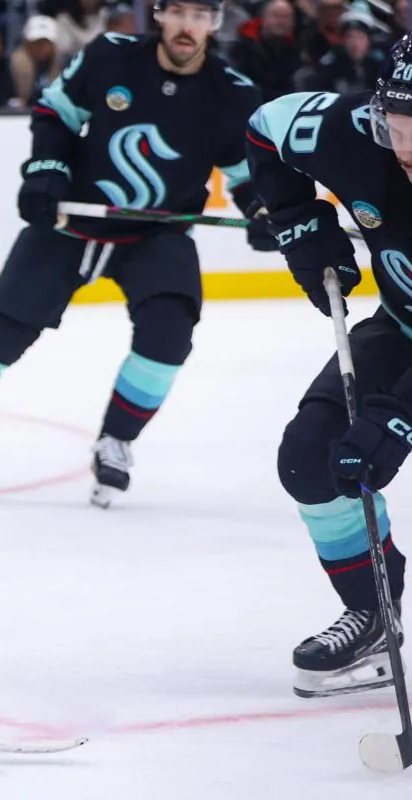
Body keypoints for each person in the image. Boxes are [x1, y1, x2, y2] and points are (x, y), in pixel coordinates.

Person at [0, 0, 276, 507]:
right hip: (71, 219)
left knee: (170, 331)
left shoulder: (233, 94)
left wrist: (263, 211)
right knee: (3, 329)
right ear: (159, 13)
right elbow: (55, 113)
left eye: (200, 16)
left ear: (215, 23)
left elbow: (245, 176)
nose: (187, 27)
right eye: (178, 12)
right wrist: (46, 170)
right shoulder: (110, 55)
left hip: (156, 233)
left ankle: (117, 440)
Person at [245, 37, 412, 697]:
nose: (406, 149)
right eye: (397, 127)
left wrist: (396, 417)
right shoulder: (350, 136)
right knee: (312, 456)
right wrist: (299, 224)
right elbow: (267, 128)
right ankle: (373, 610)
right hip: (404, 327)